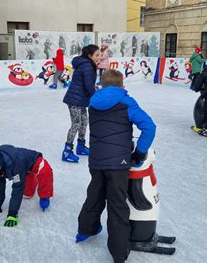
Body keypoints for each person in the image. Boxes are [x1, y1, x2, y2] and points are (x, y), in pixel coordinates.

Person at [76, 69, 156, 263]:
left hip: (96, 161)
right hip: (118, 164)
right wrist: (139, 152)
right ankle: (119, 252)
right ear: (122, 85)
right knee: (117, 204)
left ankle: (85, 230)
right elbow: (149, 126)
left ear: (101, 84)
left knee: (95, 195)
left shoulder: (93, 104)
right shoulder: (127, 102)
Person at [0, 145, 54, 227]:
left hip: (35, 162)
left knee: (45, 172)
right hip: (25, 170)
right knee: (27, 194)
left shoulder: (14, 165)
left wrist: (12, 213)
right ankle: (31, 177)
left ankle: (45, 195)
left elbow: (18, 189)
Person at [62, 44, 100, 163]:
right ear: (89, 55)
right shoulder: (87, 65)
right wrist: (97, 96)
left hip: (81, 99)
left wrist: (92, 87)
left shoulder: (86, 64)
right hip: (75, 100)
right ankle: (67, 151)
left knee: (84, 122)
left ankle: (81, 146)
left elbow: (85, 83)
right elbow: (88, 86)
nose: (99, 57)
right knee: (76, 123)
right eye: (97, 55)